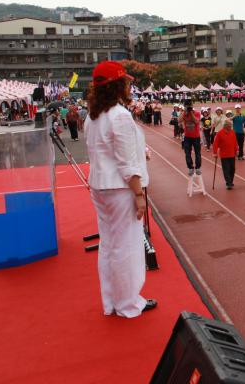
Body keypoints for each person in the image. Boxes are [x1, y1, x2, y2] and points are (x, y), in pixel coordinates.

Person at [84, 61, 156, 318]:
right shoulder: (120, 115)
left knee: (109, 245)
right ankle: (128, 304)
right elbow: (126, 163)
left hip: (100, 186)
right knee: (127, 246)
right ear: (117, 85)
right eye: (125, 82)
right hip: (120, 189)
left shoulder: (92, 116)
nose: (129, 86)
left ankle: (112, 301)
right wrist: (138, 194)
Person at [213, 119, 238, 189]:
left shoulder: (232, 132)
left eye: (231, 126)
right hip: (224, 155)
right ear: (225, 126)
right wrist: (215, 153)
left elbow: (235, 142)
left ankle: (231, 181)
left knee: (232, 169)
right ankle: (228, 183)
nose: (230, 127)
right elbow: (215, 144)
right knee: (226, 169)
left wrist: (236, 150)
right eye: (229, 126)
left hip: (232, 154)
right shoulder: (219, 133)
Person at [181, 102, 202, 176]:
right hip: (187, 137)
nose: (189, 107)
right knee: (187, 153)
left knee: (198, 153)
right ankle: (190, 167)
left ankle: (198, 167)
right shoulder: (184, 114)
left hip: (196, 137)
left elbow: (196, 121)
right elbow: (179, 120)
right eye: (187, 106)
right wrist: (184, 112)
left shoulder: (197, 113)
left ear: (192, 106)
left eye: (190, 106)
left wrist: (191, 113)